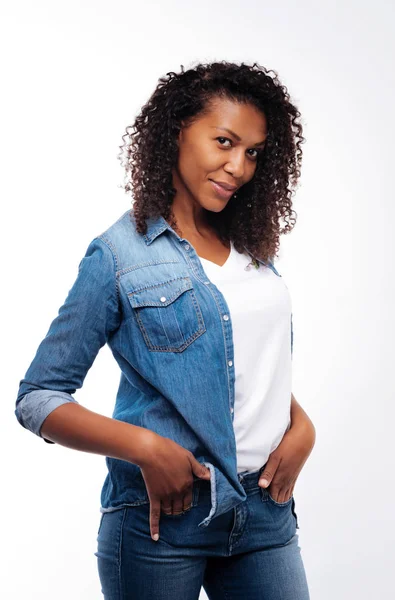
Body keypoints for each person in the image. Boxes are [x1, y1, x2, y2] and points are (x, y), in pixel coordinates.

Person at [15, 61, 316, 599]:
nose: (239, 167)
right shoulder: (118, 255)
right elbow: (38, 396)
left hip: (266, 515)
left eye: (252, 152)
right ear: (177, 130)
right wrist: (146, 449)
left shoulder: (252, 248)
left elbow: (235, 364)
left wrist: (302, 428)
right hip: (164, 522)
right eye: (223, 141)